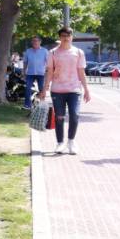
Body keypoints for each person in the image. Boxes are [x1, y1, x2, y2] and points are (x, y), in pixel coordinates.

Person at [39, 26, 90, 154]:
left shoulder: (78, 52)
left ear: (72, 37)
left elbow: (81, 72)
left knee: (74, 115)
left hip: (74, 89)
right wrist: (45, 89)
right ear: (60, 37)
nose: (66, 38)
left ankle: (71, 141)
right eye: (63, 36)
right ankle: (60, 143)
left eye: (68, 36)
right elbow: (49, 72)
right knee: (59, 117)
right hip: (57, 89)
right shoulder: (53, 53)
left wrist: (86, 89)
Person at [23, 37, 48, 109]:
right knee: (27, 88)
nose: (35, 42)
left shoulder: (45, 51)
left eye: (36, 41)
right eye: (33, 41)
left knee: (41, 89)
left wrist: (47, 72)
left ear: (40, 42)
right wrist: (24, 72)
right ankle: (27, 105)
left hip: (41, 73)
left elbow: (48, 63)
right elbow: (25, 62)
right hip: (30, 73)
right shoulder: (28, 51)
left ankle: (42, 105)